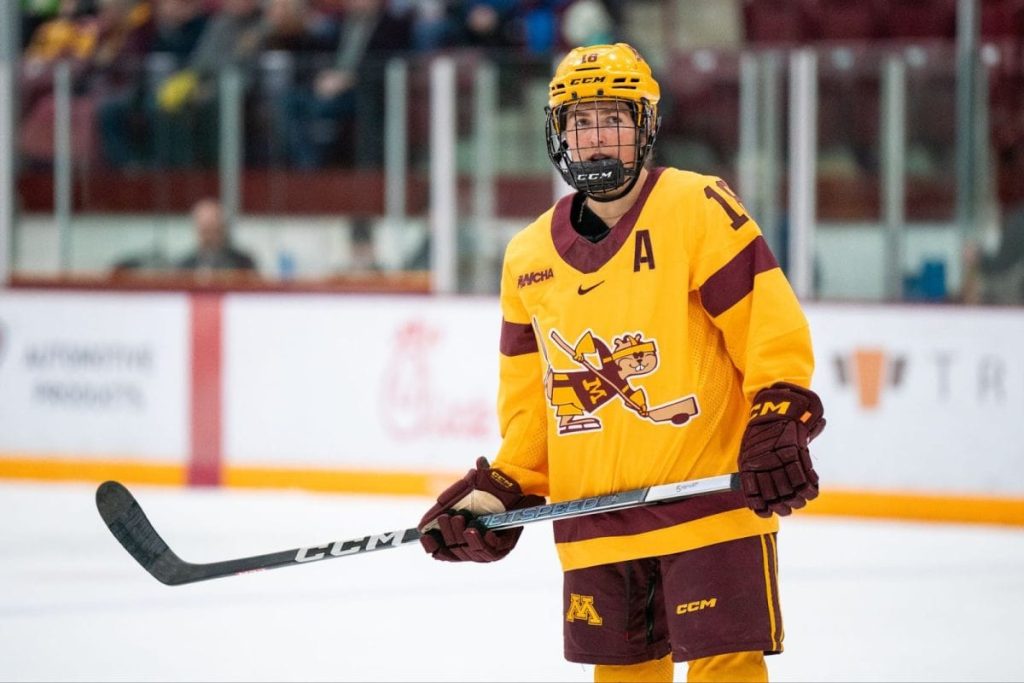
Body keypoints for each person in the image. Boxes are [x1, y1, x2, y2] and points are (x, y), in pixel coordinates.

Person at [416, 43, 826, 683]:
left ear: (646, 126)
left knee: (727, 669)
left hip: (707, 505)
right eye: (581, 122)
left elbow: (767, 326)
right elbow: (535, 406)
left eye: (613, 119)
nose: (597, 137)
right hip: (595, 521)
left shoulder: (697, 207)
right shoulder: (527, 256)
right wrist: (504, 484)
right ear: (560, 135)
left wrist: (779, 414)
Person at [178, 198, 259, 276]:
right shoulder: (184, 267)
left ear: (223, 228)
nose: (209, 237)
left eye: (214, 229)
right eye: (205, 231)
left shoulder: (243, 264)